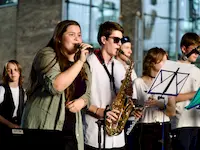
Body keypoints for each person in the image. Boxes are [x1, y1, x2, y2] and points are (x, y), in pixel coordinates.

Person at [21, 20, 92, 150]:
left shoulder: (84, 65)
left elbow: (88, 94)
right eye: (72, 34)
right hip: (44, 127)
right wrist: (81, 61)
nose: (77, 38)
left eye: (79, 35)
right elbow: (56, 86)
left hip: (72, 129)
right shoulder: (47, 55)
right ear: (59, 38)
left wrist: (82, 101)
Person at [84, 21, 128, 150]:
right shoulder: (88, 63)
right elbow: (79, 97)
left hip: (118, 136)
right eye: (116, 40)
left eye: (121, 41)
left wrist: (128, 93)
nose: (120, 44)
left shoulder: (120, 66)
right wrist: (98, 111)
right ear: (104, 39)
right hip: (95, 134)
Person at [130, 47, 176, 150]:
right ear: (152, 62)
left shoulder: (169, 82)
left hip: (163, 127)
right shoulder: (138, 82)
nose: (166, 63)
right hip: (144, 128)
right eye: (163, 61)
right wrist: (135, 111)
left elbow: (172, 113)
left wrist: (160, 104)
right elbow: (131, 109)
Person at [171, 32, 200, 150]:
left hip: (197, 122)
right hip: (181, 123)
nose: (197, 53)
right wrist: (194, 94)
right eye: (194, 49)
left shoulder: (198, 71)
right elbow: (171, 97)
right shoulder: (173, 68)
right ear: (184, 49)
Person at [115, 36, 137, 150]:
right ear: (119, 49)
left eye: (131, 47)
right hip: (118, 114)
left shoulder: (130, 67)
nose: (130, 51)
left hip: (130, 115)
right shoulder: (114, 65)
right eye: (127, 47)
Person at [0, 60, 25, 140]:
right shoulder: (2, 89)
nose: (12, 72)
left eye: (15, 69)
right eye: (9, 70)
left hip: (19, 129)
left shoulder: (23, 92)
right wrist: (9, 124)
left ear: (19, 72)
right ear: (6, 73)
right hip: (3, 129)